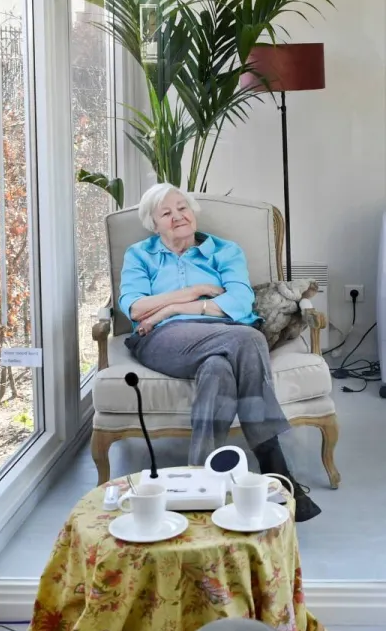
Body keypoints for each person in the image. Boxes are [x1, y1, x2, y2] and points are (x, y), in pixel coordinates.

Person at [118, 183, 321, 521]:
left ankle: (200, 482)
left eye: (182, 208)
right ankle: (275, 468)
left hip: (222, 334)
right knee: (249, 340)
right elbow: (137, 308)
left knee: (219, 371)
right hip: (163, 339)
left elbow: (240, 302)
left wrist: (169, 307)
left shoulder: (225, 251)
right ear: (154, 224)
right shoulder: (140, 255)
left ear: (192, 211)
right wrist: (194, 291)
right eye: (166, 213)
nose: (177, 216)